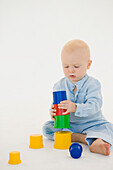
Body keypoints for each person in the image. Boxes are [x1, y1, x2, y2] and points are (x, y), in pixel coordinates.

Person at [42, 39, 113, 156]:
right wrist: (53, 113)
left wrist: (75, 107)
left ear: (88, 64)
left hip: (92, 123)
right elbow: (55, 106)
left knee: (109, 128)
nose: (71, 70)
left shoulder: (93, 84)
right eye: (66, 66)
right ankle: (82, 138)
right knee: (47, 128)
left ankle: (97, 141)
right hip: (70, 125)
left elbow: (95, 106)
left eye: (76, 66)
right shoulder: (59, 85)